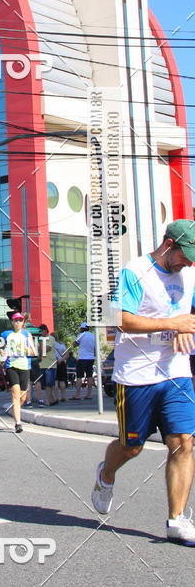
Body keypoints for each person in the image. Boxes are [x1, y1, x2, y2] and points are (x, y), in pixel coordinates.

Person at [90, 220, 195, 545]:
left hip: (176, 372)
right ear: (168, 244)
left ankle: (176, 520)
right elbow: (118, 319)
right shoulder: (134, 271)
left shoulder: (189, 274)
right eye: (185, 255)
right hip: (135, 377)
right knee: (131, 447)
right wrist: (171, 323)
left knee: (183, 442)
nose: (188, 262)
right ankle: (106, 475)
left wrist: (185, 327)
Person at [0, 312, 37, 433]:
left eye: (20, 320)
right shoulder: (6, 334)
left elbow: (33, 353)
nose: (17, 322)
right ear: (12, 322)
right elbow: (1, 347)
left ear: (23, 322)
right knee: (15, 393)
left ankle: (16, 408)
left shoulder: (27, 335)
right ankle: (18, 423)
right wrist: (2, 352)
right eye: (15, 320)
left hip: (24, 366)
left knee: (23, 396)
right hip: (12, 366)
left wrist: (27, 349)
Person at [72, 322, 96, 399]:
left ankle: (77, 395)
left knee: (79, 376)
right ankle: (89, 394)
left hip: (82, 358)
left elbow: (74, 344)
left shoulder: (81, 335)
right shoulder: (93, 336)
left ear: (82, 328)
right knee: (89, 376)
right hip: (91, 358)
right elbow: (95, 348)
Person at [38, 323, 60, 406]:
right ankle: (52, 399)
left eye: (41, 331)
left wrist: (40, 351)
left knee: (49, 384)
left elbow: (46, 349)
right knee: (45, 384)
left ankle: (49, 399)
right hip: (42, 364)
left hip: (50, 364)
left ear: (45, 330)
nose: (40, 333)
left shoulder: (50, 338)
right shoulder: (40, 340)